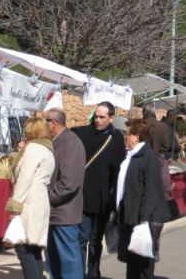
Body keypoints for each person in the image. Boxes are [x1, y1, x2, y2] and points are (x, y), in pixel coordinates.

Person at [72, 101, 125, 279]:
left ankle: (93, 273)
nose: (98, 120)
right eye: (96, 116)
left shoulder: (116, 138)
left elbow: (118, 171)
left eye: (102, 117)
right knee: (82, 239)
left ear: (111, 118)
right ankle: (79, 274)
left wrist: (115, 200)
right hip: (84, 197)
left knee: (96, 240)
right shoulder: (81, 133)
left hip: (104, 200)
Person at [116, 119, 171, 279]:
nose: (126, 137)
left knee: (143, 263)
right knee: (133, 260)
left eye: (129, 134)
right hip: (132, 215)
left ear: (137, 136)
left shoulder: (148, 157)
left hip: (144, 219)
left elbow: (151, 191)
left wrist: (143, 219)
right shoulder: (133, 156)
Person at [5, 115, 56, 279]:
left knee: (24, 249)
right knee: (33, 250)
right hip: (40, 200)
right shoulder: (46, 149)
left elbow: (25, 177)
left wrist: (16, 204)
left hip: (30, 201)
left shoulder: (33, 149)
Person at [44, 108, 86, 279]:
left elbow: (69, 184)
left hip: (64, 213)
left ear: (53, 123)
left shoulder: (71, 143)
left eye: (45, 121)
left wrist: (48, 198)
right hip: (54, 213)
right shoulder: (57, 141)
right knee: (53, 259)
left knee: (69, 260)